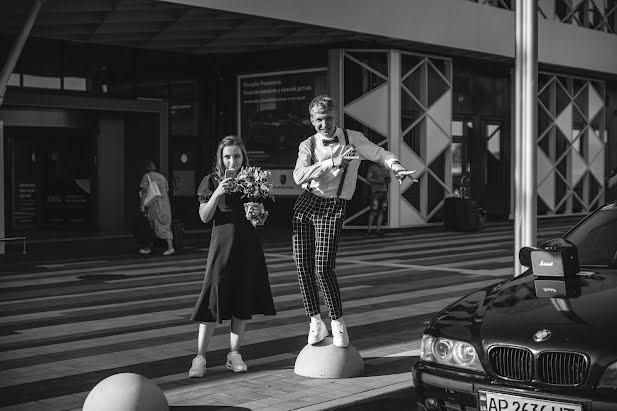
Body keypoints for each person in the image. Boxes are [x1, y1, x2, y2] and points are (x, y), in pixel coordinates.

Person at [292, 95, 415, 348]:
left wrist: (396, 166)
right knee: (302, 265)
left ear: (336, 117)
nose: (323, 124)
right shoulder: (307, 144)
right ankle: (315, 320)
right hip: (307, 202)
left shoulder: (353, 138)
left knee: (323, 267)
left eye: (328, 118)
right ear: (312, 120)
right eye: (318, 120)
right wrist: (332, 162)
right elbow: (298, 175)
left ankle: (337, 322)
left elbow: (379, 153)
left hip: (333, 205)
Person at [188, 135, 276, 378]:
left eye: (237, 156)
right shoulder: (211, 181)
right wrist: (217, 193)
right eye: (227, 156)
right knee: (211, 299)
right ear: (220, 157)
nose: (232, 161)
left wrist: (260, 214)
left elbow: (259, 221)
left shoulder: (252, 181)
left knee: (242, 298)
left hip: (248, 246)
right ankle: (200, 357)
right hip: (221, 246)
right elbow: (204, 217)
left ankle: (234, 353)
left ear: (243, 157)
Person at [139, 160, 174, 256]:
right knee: (165, 226)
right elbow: (166, 189)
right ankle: (170, 247)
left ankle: (148, 247)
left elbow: (144, 192)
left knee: (151, 226)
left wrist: (142, 205)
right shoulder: (162, 177)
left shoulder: (147, 177)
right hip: (165, 205)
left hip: (154, 205)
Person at [365, 162, 390, 236]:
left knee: (381, 211)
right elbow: (368, 179)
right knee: (373, 210)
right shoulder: (373, 167)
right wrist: (380, 181)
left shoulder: (386, 168)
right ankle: (369, 230)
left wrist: (386, 181)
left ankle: (378, 229)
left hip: (384, 191)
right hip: (375, 192)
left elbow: (389, 179)